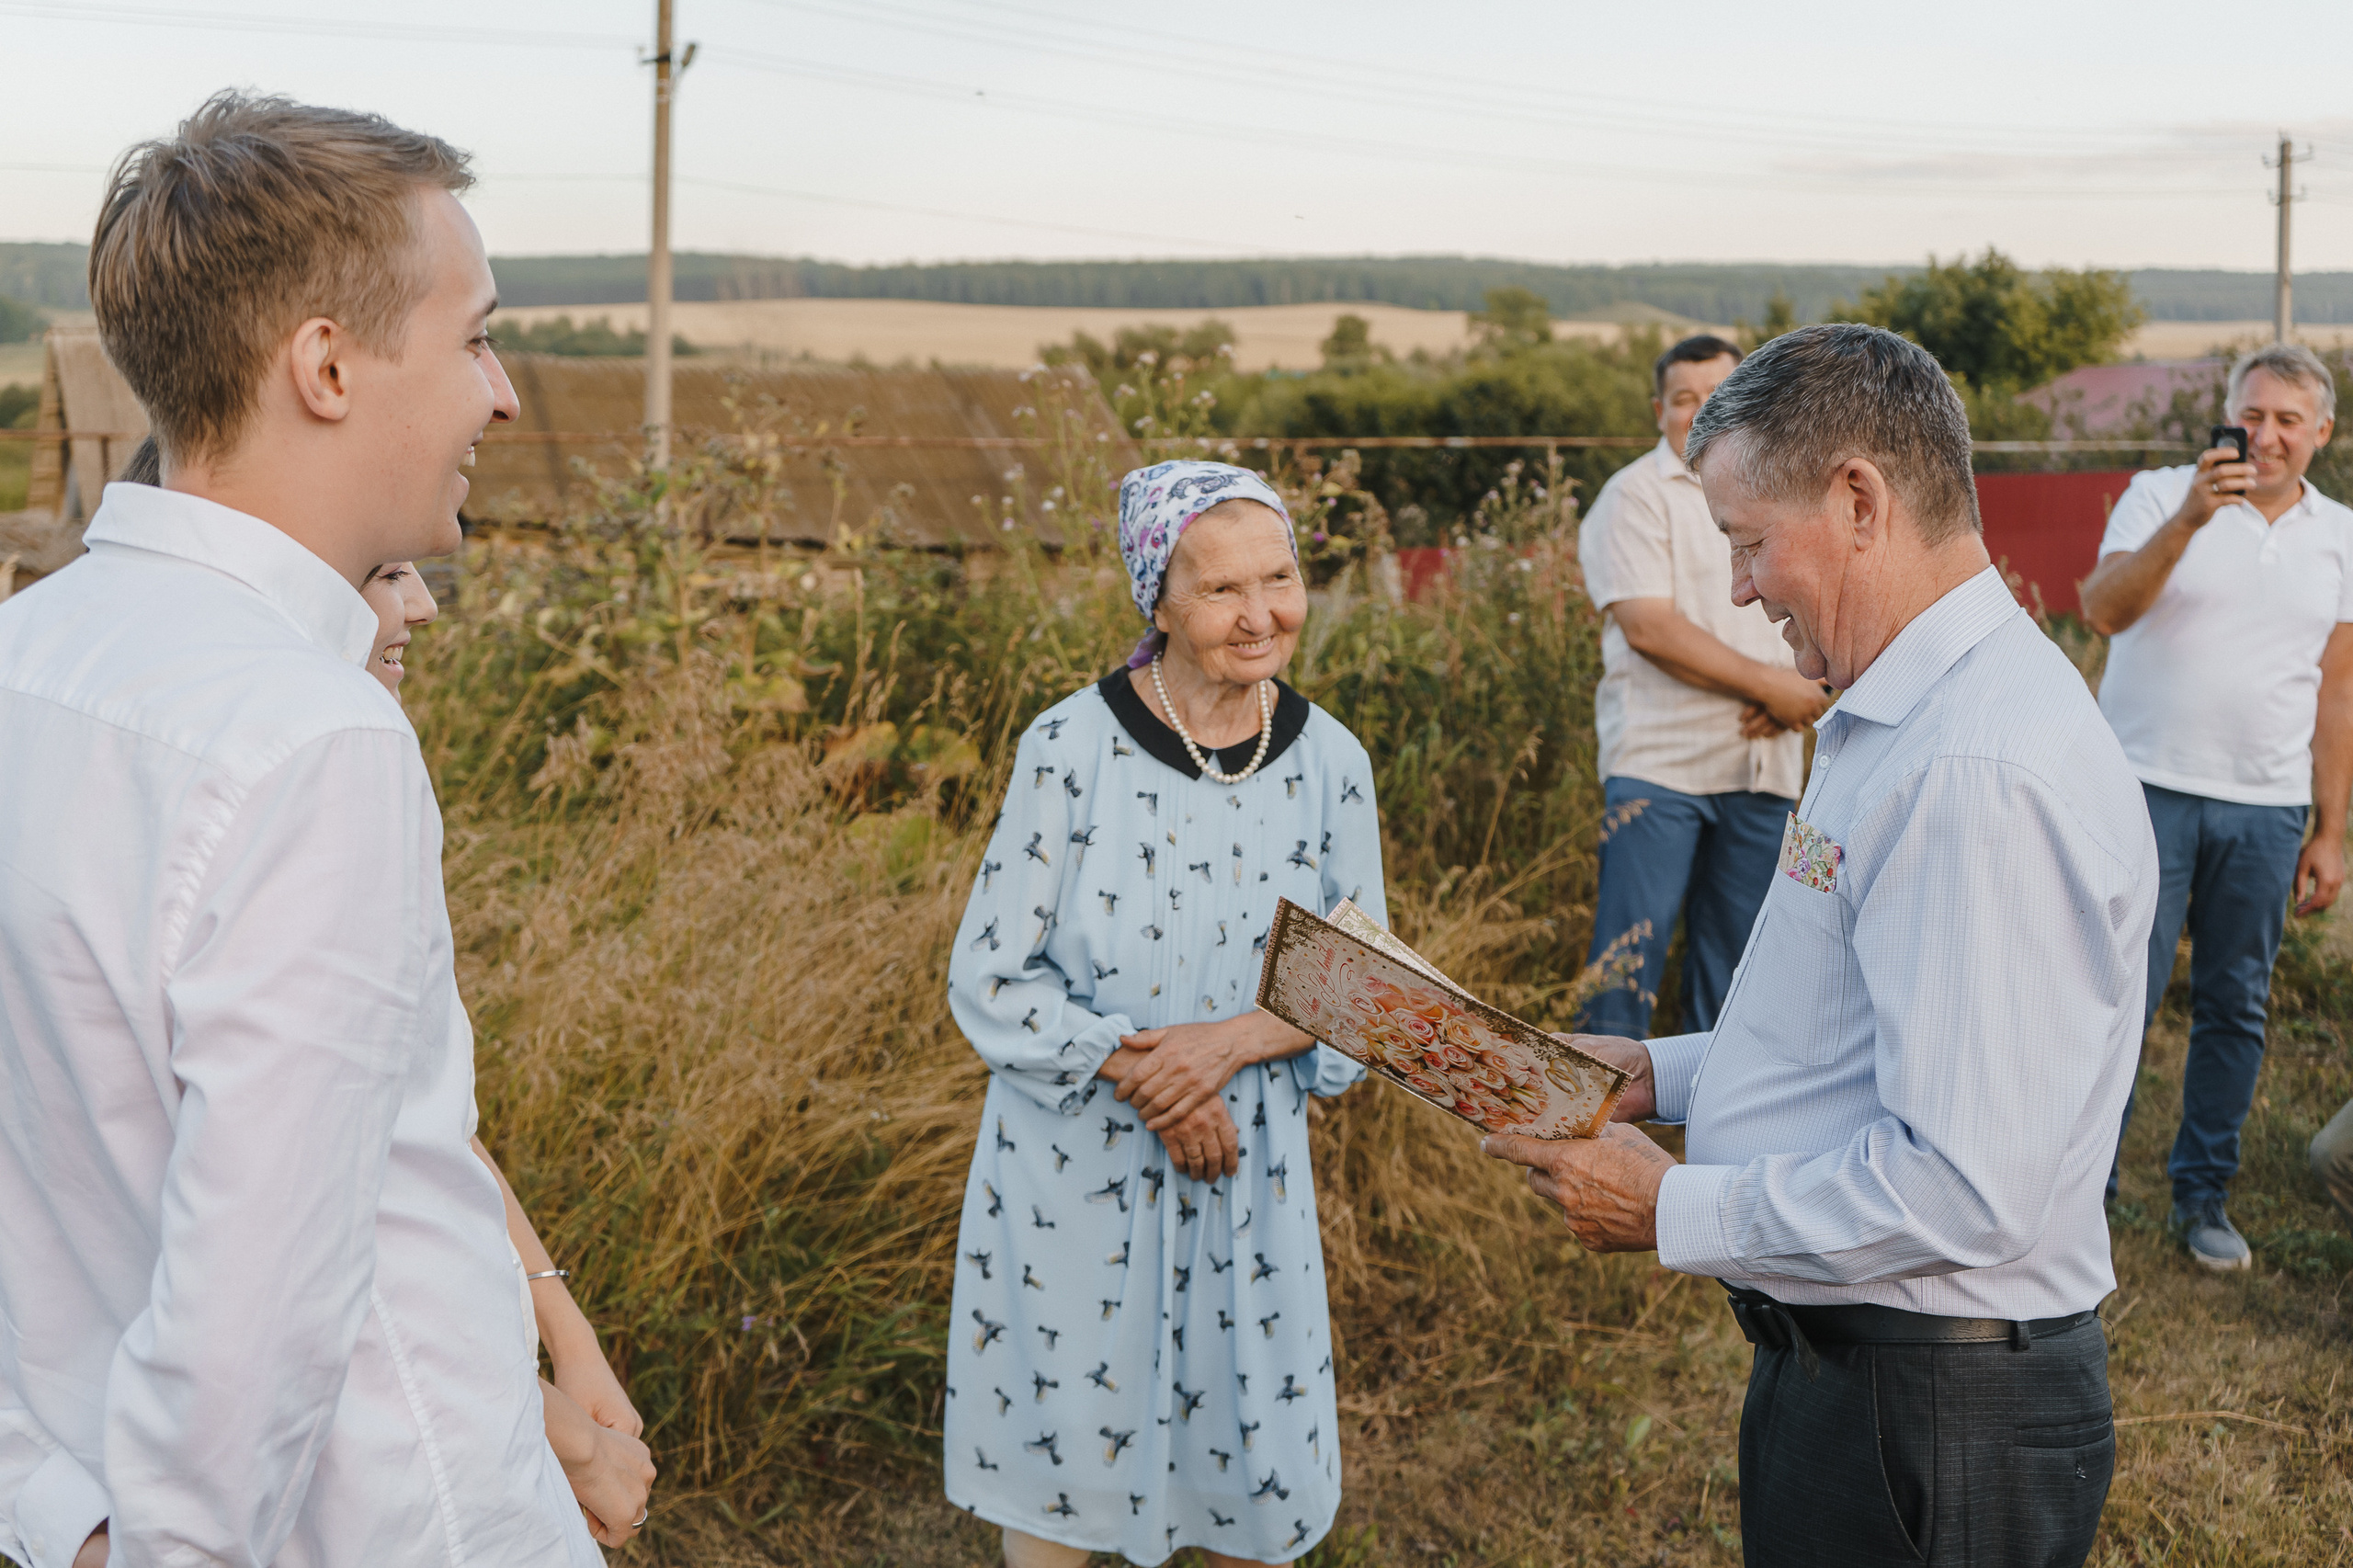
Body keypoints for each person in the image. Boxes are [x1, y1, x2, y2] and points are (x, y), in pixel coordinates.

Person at [0, 92, 614, 1566]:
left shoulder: (29, 655)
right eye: (475, 333)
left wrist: (47, 1499)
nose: (504, 392)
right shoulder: (309, 736)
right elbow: (256, 1306)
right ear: (327, 365)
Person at [1484, 324, 2157, 1568]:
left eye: (1746, 541)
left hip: (1927, 1413)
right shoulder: (1913, 711)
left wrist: (1670, 1203)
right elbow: (1851, 1025)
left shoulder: (1970, 774)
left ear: (1859, 500)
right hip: (1874, 1378)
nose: (1738, 587)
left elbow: (1964, 1186)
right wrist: (1654, 1072)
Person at [943, 460, 1381, 1568]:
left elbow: (1362, 986)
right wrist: (1153, 1075)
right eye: (1222, 589)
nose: (1259, 614)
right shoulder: (1067, 746)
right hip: (1075, 1168)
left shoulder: (1332, 761)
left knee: (1250, 1467)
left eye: (1278, 578)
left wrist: (1223, 1047)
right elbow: (990, 977)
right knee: (1065, 1474)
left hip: (1250, 1171)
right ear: (1160, 601)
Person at [358, 559, 655, 1542]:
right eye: (386, 572)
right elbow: (323, 1242)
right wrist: (564, 1432)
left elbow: (427, 1119)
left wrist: (567, 1333)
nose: (424, 604)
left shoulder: (378, 765)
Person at [2078, 343, 2351, 1270]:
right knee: (2115, 995)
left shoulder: (2341, 536)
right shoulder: (2162, 493)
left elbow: (2337, 693)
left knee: (2234, 1005)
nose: (2264, 435)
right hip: (2142, 786)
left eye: (2286, 419)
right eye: (2251, 414)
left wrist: (2328, 829)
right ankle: (2081, 1188)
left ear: (2322, 431)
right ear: (2227, 414)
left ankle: (2202, 1193)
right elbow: (2101, 608)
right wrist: (2193, 519)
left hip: (2266, 807)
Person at [1574, 334, 1828, 1038]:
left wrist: (1800, 691)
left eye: (1718, 394)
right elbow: (1649, 627)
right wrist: (1769, 688)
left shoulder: (1782, 492)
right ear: (1659, 409)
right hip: (1661, 766)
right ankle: (1588, 1132)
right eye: (1684, 398)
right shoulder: (1633, 496)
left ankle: (1716, 1136)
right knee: (1628, 960)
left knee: (1744, 968)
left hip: (1762, 766)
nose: (1701, 410)